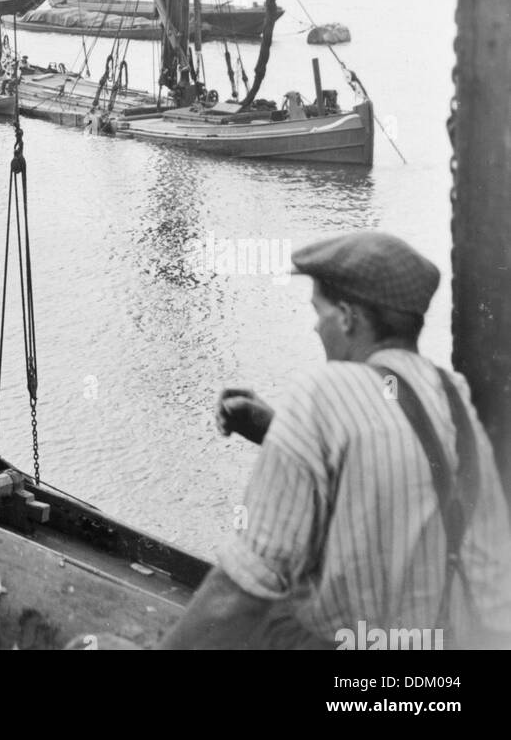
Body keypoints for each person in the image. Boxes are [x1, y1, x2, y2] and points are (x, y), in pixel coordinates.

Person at [160, 231, 511, 650]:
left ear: (347, 317)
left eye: (318, 311)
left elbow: (246, 584)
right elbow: (490, 576)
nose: (315, 326)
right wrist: (280, 432)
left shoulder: (322, 393)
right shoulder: (453, 399)